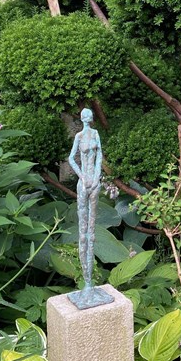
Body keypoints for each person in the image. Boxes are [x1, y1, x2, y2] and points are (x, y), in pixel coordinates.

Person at [67, 108, 112, 308]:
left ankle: (90, 284)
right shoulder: (78, 136)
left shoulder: (95, 134)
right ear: (82, 119)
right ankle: (86, 283)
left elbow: (99, 155)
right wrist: (83, 176)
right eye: (86, 117)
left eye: (89, 117)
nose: (88, 119)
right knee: (82, 232)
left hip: (94, 183)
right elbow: (71, 158)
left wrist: (96, 176)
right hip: (83, 183)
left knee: (92, 233)